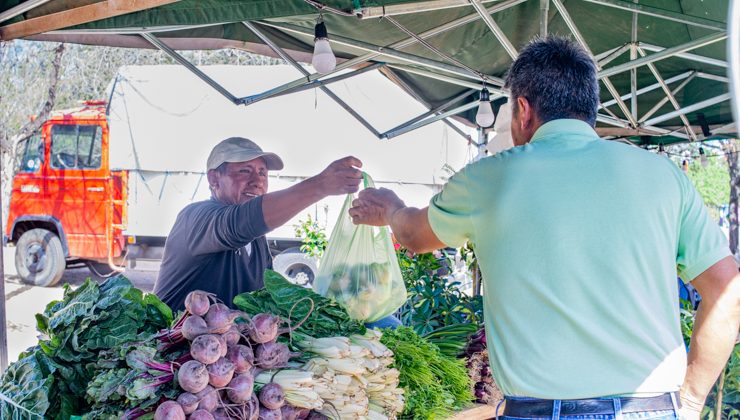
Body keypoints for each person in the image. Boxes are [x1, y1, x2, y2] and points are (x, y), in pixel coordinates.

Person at [349, 36, 739, 420]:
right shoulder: (663, 176)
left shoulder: (491, 179)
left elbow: (415, 236)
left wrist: (391, 208)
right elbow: (727, 291)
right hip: (653, 410)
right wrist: (689, 401)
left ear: (523, 109)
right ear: (589, 108)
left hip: (540, 412)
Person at [154, 137, 362, 311]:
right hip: (170, 352)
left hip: (227, 353)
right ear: (214, 179)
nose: (258, 181)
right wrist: (320, 185)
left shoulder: (257, 239)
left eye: (262, 173)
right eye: (245, 171)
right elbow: (241, 222)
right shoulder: (196, 217)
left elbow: (264, 297)